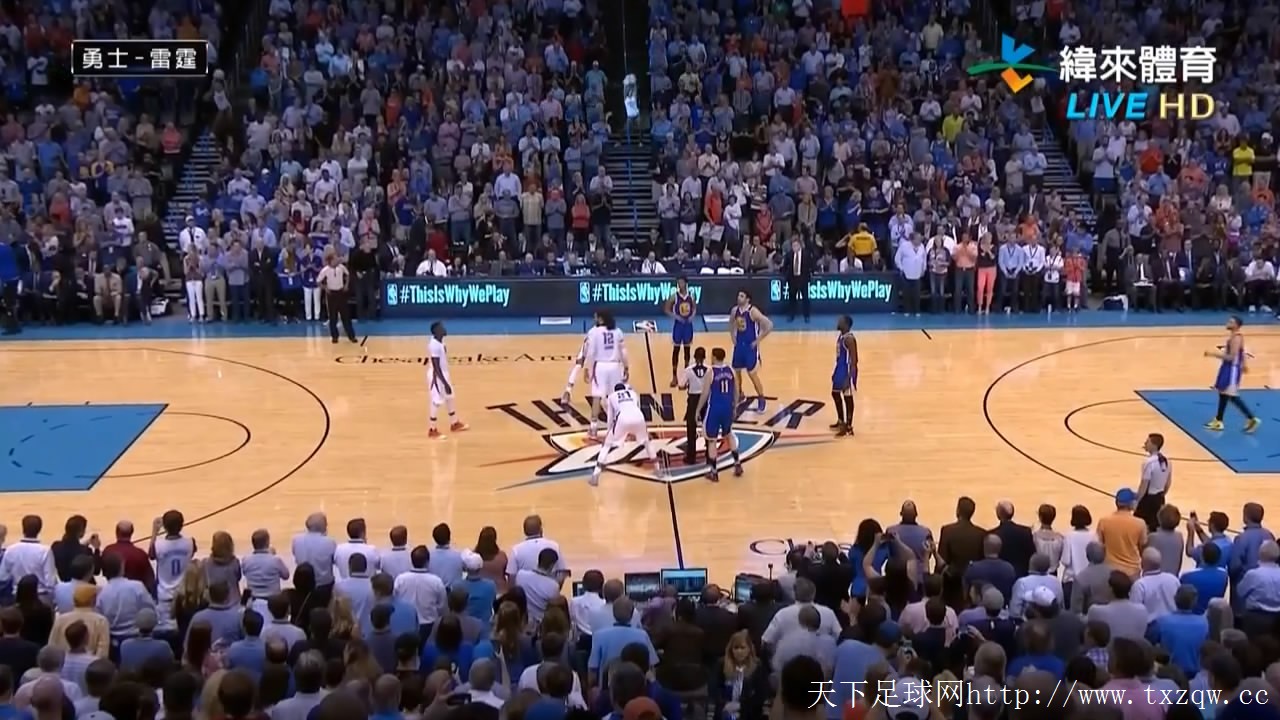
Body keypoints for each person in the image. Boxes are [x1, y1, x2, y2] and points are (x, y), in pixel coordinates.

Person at [591, 383, 656, 487]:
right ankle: (658, 469)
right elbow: (637, 409)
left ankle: (595, 475)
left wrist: (609, 433)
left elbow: (610, 418)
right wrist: (645, 430)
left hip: (623, 419)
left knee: (606, 445)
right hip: (639, 417)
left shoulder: (612, 396)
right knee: (647, 442)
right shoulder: (633, 393)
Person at [1203, 315, 1259, 432]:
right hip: (1228, 368)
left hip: (1231, 369)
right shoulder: (1235, 336)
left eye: (1231, 322)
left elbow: (1231, 357)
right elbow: (1241, 352)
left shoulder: (1236, 338)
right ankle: (1219, 420)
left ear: (1236, 325)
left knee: (1232, 395)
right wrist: (1244, 364)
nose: (1228, 322)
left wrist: (1213, 354)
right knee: (1223, 393)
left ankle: (1252, 418)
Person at [697, 348, 743, 483]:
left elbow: (705, 394)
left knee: (712, 440)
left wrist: (698, 409)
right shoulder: (731, 370)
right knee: (729, 434)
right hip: (728, 408)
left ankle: (714, 472)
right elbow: (737, 391)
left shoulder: (710, 372)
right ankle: (737, 464)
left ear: (714, 357)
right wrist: (735, 406)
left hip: (714, 410)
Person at [584, 311, 629, 440]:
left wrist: (588, 368)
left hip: (600, 366)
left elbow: (591, 352)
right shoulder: (618, 331)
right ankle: (618, 427)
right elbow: (623, 351)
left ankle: (593, 428)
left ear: (601, 319)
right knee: (616, 397)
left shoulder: (593, 332)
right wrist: (626, 366)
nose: (594, 319)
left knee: (597, 396)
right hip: (615, 366)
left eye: (596, 317)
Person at [729, 291, 772, 413]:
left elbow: (769, 325)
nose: (739, 297)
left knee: (752, 374)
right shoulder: (735, 310)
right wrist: (733, 336)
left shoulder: (753, 312)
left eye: (742, 296)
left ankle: (761, 398)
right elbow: (731, 323)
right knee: (736, 372)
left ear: (747, 299)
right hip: (739, 346)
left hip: (750, 347)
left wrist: (757, 341)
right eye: (738, 295)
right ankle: (740, 394)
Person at [427, 321, 468, 439]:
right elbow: (436, 366)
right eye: (441, 328)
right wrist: (444, 383)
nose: (444, 329)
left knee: (450, 397)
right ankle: (432, 429)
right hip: (437, 375)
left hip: (444, 373)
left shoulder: (440, 342)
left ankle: (454, 423)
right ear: (436, 332)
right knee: (436, 401)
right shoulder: (434, 345)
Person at [317, 250, 356, 345]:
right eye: (335, 259)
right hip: (331, 294)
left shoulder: (341, 267)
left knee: (345, 315)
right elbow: (318, 281)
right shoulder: (325, 270)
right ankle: (334, 337)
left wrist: (346, 285)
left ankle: (351, 336)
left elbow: (347, 275)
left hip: (341, 292)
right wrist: (325, 288)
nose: (337, 260)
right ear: (330, 261)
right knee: (332, 316)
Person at [678, 347, 709, 466]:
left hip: (693, 400)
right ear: (704, 357)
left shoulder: (689, 370)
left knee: (691, 428)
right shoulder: (709, 369)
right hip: (705, 399)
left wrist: (688, 385)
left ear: (695, 357)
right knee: (707, 426)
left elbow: (681, 385)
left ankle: (691, 456)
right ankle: (709, 454)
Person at [1135, 433, 1172, 532]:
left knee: (1140, 526)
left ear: (1154, 445)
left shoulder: (1148, 462)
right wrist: (1162, 495)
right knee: (1155, 527)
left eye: (1147, 442)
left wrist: (1137, 501)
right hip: (1160, 498)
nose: (1145, 443)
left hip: (1148, 500)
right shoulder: (1167, 461)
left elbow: (1144, 484)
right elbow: (1168, 483)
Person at [561, 315, 602, 405]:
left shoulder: (606, 330)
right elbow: (588, 348)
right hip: (588, 351)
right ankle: (567, 392)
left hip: (598, 352)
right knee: (578, 366)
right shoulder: (593, 332)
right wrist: (586, 365)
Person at [830, 315, 858, 438]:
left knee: (847, 397)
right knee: (835, 393)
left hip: (846, 371)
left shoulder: (849, 339)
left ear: (846, 325)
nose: (838, 322)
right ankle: (841, 421)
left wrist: (849, 377)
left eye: (840, 321)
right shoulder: (841, 337)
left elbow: (854, 360)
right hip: (840, 369)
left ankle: (849, 427)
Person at [666, 277, 697, 388]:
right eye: (678, 283)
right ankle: (674, 377)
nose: (679, 285)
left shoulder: (691, 295)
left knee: (687, 351)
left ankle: (686, 377)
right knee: (676, 350)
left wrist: (692, 316)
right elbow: (666, 309)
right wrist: (676, 317)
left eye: (681, 282)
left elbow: (694, 308)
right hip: (678, 326)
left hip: (688, 326)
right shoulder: (674, 296)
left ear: (686, 283)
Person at [782, 237, 812, 322]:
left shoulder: (806, 254)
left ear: (800, 246)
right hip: (793, 279)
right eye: (793, 246)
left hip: (803, 279)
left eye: (796, 245)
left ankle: (806, 316)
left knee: (805, 298)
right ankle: (791, 315)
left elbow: (811, 265)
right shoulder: (789, 255)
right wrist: (786, 276)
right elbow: (785, 266)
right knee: (792, 298)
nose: (794, 247)